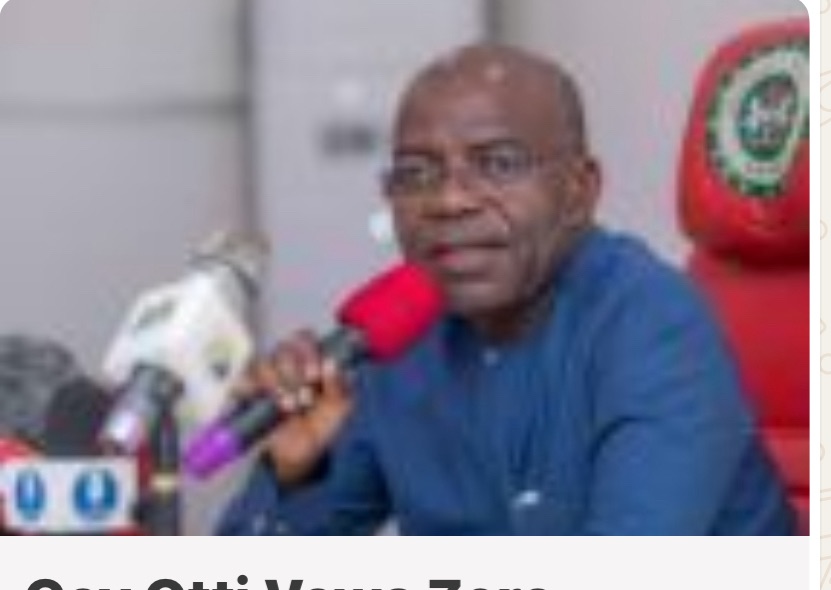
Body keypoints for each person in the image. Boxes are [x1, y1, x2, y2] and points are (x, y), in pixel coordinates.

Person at [216, 44, 794, 535]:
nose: (448, 200)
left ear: (579, 191)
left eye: (497, 164)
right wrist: (297, 473)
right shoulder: (394, 339)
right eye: (415, 173)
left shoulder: (653, 326)